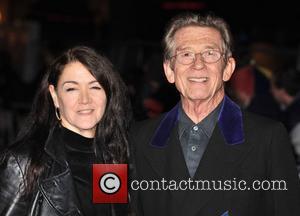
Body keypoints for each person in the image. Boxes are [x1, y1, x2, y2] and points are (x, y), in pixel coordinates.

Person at [130, 13, 300, 216]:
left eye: (210, 54)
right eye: (186, 54)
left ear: (228, 68)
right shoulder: (138, 138)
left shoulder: (268, 138)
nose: (198, 64)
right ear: (169, 70)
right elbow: (107, 202)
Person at [0, 46, 132, 215]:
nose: (85, 99)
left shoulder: (111, 157)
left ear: (108, 94)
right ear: (55, 96)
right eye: (72, 88)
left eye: (95, 87)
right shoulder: (23, 162)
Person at [271, 65, 300, 167]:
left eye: (272, 86)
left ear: (281, 90)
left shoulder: (293, 118)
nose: (271, 91)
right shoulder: (289, 111)